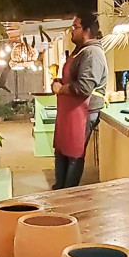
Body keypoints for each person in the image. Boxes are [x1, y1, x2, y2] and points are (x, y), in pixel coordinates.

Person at [52, 12, 108, 189]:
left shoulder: (92, 53)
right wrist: (58, 82)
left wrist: (61, 89)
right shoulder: (81, 51)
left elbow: (84, 88)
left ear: (86, 30)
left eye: (75, 27)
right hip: (70, 113)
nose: (72, 31)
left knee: (74, 156)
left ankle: (68, 194)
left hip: (83, 114)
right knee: (62, 152)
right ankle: (59, 191)